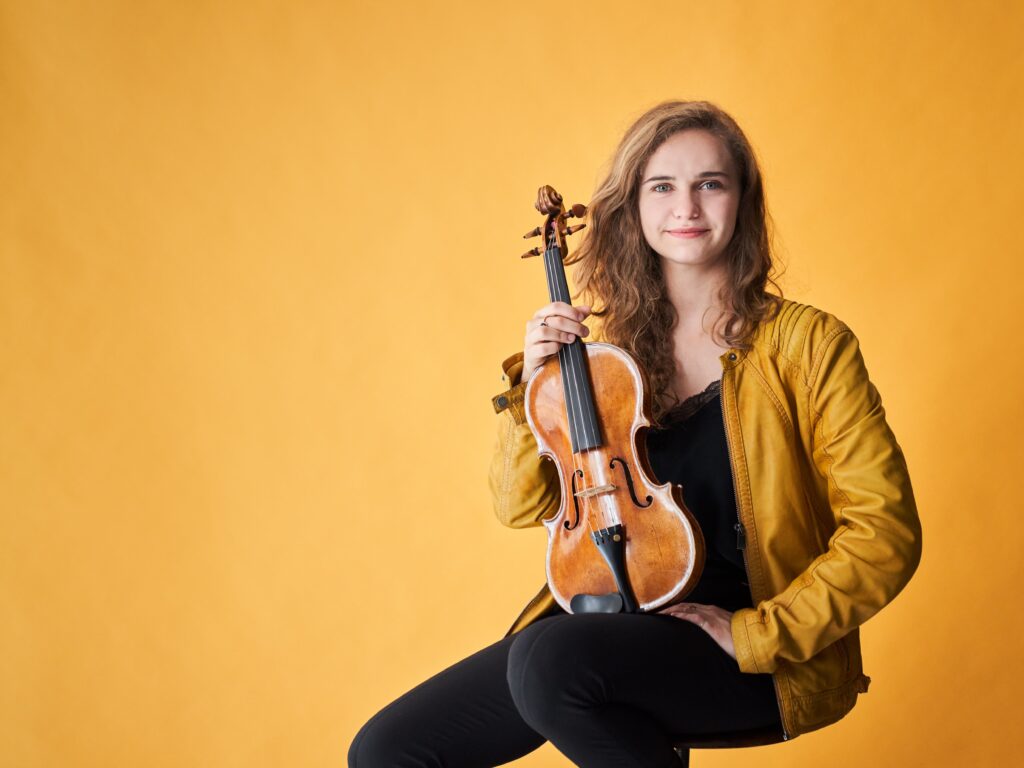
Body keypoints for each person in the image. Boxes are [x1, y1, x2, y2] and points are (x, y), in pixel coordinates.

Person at [348, 100, 922, 767]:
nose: (688, 206)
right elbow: (521, 507)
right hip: (614, 622)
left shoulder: (807, 345)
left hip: (753, 651)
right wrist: (533, 385)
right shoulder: (607, 361)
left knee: (548, 657)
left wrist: (758, 632)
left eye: (711, 183)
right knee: (388, 751)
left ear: (742, 201)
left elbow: (886, 531)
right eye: (663, 186)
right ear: (634, 207)